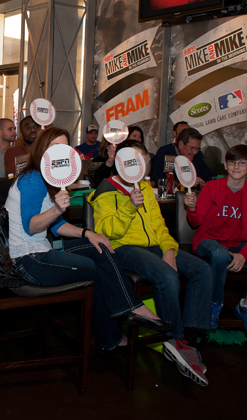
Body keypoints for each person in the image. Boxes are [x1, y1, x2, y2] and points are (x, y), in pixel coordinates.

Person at [6, 127, 171, 357]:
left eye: (64, 148)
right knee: (99, 270)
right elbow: (31, 225)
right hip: (28, 260)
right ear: (42, 150)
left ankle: (120, 323)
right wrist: (56, 209)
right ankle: (123, 321)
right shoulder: (33, 178)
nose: (59, 154)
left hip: (40, 250)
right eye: (54, 148)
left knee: (100, 246)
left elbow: (55, 226)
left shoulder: (47, 179)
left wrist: (87, 234)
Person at [89, 140, 212, 386]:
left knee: (203, 269)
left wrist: (168, 249)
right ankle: (173, 340)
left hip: (154, 247)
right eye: (133, 160)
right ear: (123, 163)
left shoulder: (145, 187)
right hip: (123, 249)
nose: (140, 164)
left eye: (143, 159)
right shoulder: (104, 190)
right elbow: (106, 232)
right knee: (167, 277)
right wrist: (129, 207)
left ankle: (188, 337)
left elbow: (159, 225)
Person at [184, 145, 247, 337]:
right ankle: (215, 303)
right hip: (209, 241)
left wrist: (245, 254)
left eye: (242, 163)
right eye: (232, 162)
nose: (236, 166)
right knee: (220, 254)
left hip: (238, 243)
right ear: (225, 165)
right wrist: (192, 209)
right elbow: (196, 221)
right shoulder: (211, 187)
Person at [149, 127, 214, 185]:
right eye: (192, 148)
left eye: (197, 148)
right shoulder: (162, 158)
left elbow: (209, 177)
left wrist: (201, 182)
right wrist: (186, 182)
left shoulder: (197, 157)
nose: (195, 152)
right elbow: (157, 183)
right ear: (181, 144)